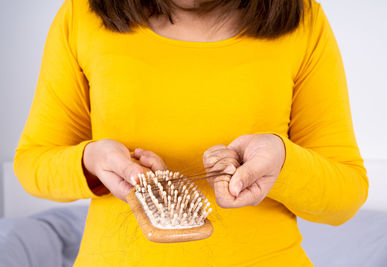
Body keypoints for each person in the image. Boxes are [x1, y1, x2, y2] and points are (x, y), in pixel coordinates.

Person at [14, 0, 369, 266]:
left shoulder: (304, 21)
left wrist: (282, 161)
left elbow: (346, 194)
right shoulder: (81, 16)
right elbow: (33, 163)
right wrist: (91, 162)